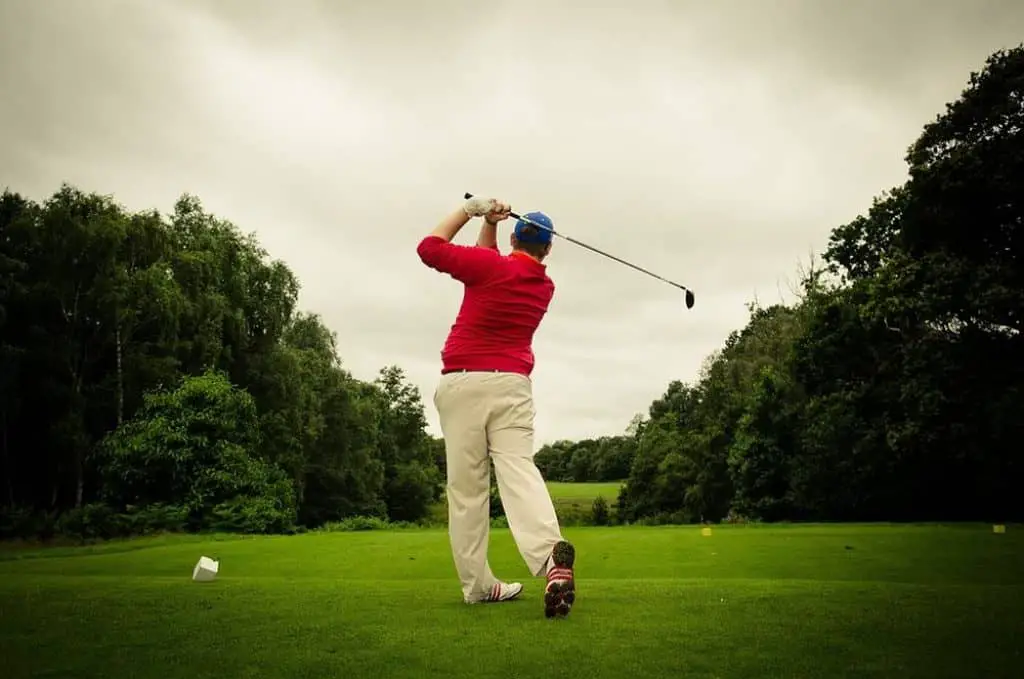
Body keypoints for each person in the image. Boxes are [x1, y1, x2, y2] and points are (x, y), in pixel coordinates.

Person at [416, 195, 576, 619]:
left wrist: (470, 213)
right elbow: (486, 263)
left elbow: (429, 248)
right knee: (519, 470)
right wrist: (491, 223)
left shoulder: (491, 269)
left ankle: (479, 587)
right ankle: (550, 560)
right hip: (511, 386)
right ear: (548, 249)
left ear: (515, 237)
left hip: (463, 382)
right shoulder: (543, 285)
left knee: (468, 492)